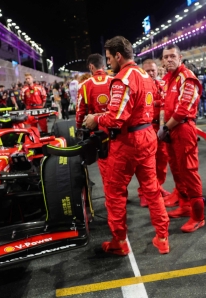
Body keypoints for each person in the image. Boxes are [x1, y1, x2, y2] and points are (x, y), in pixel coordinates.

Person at [85, 36, 170, 255]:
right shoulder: (144, 74)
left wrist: (96, 118)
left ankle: (119, 242)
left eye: (109, 58)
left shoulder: (123, 78)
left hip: (127, 142)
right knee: (152, 189)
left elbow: (116, 118)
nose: (109, 62)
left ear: (118, 56)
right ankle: (162, 237)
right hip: (146, 136)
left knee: (114, 193)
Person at [159, 44, 205, 233]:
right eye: (165, 57)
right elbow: (164, 105)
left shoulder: (187, 77)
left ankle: (198, 216)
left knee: (189, 172)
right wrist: (165, 127)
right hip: (171, 130)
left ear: (180, 58)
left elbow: (183, 109)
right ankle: (185, 206)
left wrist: (164, 127)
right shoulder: (169, 79)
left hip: (183, 129)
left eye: (172, 56)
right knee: (177, 170)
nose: (168, 59)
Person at [76, 54, 112, 194]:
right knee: (118, 165)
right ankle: (121, 194)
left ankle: (112, 197)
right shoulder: (114, 80)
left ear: (91, 66)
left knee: (104, 164)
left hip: (98, 131)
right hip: (116, 128)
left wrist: (79, 127)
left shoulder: (85, 85)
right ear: (104, 65)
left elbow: (80, 112)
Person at [139, 58, 171, 206]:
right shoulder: (140, 86)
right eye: (148, 71)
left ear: (157, 70)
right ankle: (144, 193)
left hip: (162, 127)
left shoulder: (162, 84)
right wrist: (159, 102)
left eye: (153, 70)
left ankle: (158, 187)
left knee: (162, 160)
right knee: (147, 164)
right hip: (147, 128)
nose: (151, 73)